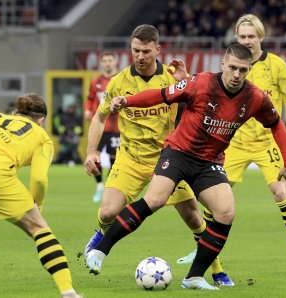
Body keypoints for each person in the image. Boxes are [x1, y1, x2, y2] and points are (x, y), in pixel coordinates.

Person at [85, 44, 286, 290]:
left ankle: (194, 277)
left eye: (243, 70)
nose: (236, 74)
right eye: (232, 67)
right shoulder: (200, 83)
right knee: (155, 199)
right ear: (223, 64)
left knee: (225, 212)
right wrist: (128, 101)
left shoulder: (255, 98)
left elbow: (276, 123)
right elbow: (161, 95)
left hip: (209, 162)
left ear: (249, 69)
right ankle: (100, 251)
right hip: (178, 152)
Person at [81, 24, 234, 285]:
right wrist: (91, 151)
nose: (140, 56)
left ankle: (216, 270)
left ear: (158, 49)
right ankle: (99, 239)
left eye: (146, 51)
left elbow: (202, 104)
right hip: (130, 158)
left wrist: (184, 82)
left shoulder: (173, 79)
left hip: (169, 158)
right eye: (135, 51)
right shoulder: (118, 82)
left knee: (194, 217)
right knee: (107, 212)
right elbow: (99, 116)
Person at [177, 13, 286, 269]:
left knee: (280, 192)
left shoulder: (276, 65)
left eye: (251, 36)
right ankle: (203, 250)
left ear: (261, 37)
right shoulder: (232, 66)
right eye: (242, 37)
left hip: (267, 143)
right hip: (234, 144)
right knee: (213, 196)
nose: (247, 41)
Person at [0, 94, 82, 298]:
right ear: (41, 120)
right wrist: (37, 207)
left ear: (14, 113)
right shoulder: (42, 137)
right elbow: (39, 179)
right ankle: (68, 292)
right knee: (39, 228)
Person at [84, 51, 119, 203]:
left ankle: (110, 188)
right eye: (105, 61)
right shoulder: (95, 81)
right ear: (101, 63)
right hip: (99, 127)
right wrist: (87, 109)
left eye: (110, 60)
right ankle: (99, 186)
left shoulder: (120, 80)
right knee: (94, 156)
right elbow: (91, 98)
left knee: (114, 159)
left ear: (115, 62)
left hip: (116, 127)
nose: (107, 63)